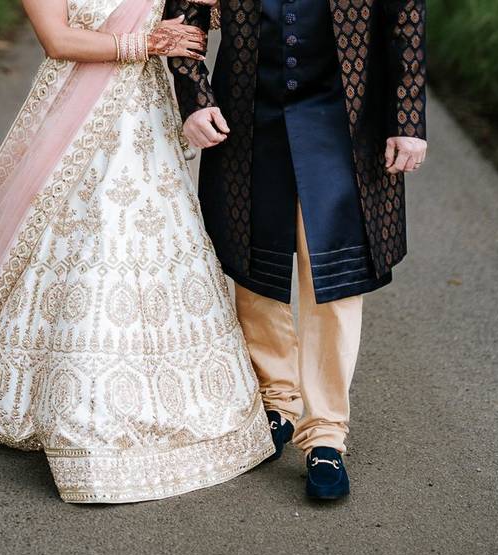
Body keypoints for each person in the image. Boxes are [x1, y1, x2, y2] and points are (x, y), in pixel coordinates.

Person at [0, 0, 275, 504]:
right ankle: (65, 396)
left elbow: (203, 15)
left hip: (146, 115)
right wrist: (146, 42)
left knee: (148, 243)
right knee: (80, 245)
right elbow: (58, 40)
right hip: (74, 112)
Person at [166, 0, 428, 499]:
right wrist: (196, 99)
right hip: (249, 113)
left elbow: (406, 21)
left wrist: (408, 119)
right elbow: (186, 18)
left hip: (345, 122)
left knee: (334, 268)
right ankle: (275, 399)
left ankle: (326, 431)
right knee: (253, 259)